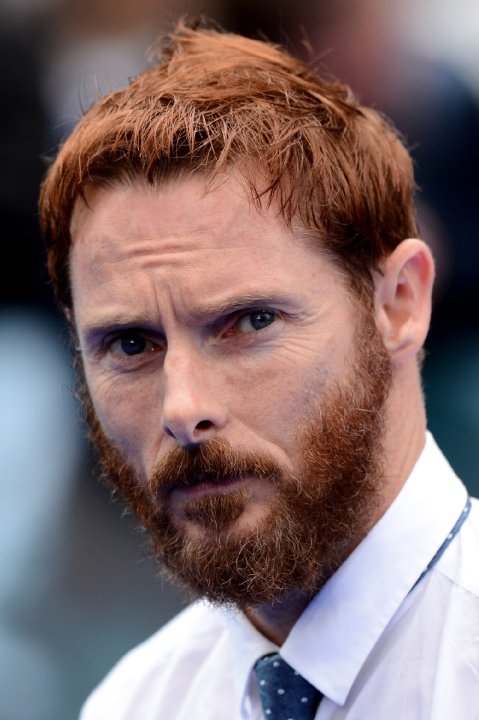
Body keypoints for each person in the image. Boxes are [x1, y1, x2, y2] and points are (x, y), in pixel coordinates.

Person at [38, 19, 479, 719]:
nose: (182, 408)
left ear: (399, 304)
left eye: (250, 323)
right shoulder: (133, 703)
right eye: (130, 345)